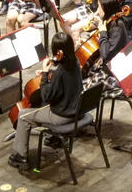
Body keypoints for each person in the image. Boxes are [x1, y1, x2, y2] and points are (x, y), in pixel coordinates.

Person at [8, 31, 84, 168]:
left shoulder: (60, 72)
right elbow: (64, 82)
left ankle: (20, 157)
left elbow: (46, 96)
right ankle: (54, 139)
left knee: (23, 115)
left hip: (62, 115)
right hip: (77, 109)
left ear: (59, 51)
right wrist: (50, 74)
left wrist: (44, 73)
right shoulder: (76, 62)